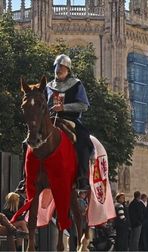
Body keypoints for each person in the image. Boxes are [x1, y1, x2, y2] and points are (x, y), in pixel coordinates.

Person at [46, 54, 93, 191]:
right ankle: (26, 177)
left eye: (62, 67)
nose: (59, 70)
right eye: (57, 67)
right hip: (50, 118)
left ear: (68, 70)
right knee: (29, 141)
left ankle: (82, 178)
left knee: (83, 141)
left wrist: (64, 107)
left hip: (70, 119)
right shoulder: (48, 86)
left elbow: (84, 105)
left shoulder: (76, 84)